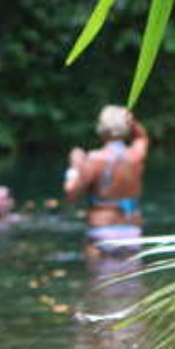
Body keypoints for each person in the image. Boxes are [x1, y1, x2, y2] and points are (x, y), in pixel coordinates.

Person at [64, 105, 148, 247]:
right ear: (126, 128)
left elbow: (71, 194)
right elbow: (142, 137)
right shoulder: (136, 156)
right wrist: (131, 122)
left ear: (101, 130)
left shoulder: (93, 160)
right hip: (132, 230)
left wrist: (74, 167)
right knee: (133, 270)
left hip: (102, 231)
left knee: (101, 270)